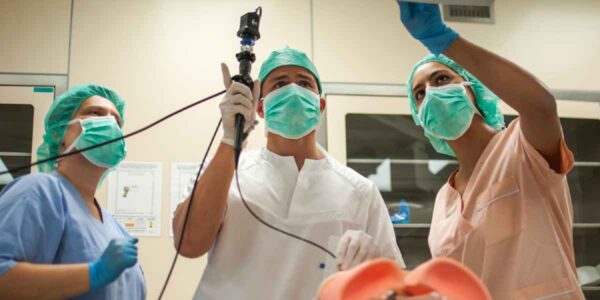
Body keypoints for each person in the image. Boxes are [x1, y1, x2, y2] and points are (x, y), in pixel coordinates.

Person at [173, 47, 404, 299]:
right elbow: (189, 244)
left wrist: (376, 264)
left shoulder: (359, 192)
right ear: (259, 107)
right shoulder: (226, 171)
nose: (293, 91)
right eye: (279, 84)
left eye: (304, 83)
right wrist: (231, 139)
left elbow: (395, 287)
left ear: (321, 105)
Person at [397, 2, 583, 299]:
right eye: (419, 94)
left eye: (442, 79)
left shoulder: (522, 147)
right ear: (419, 117)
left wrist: (445, 41)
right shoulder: (445, 200)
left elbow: (541, 105)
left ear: (471, 87)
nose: (431, 94)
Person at [0, 84, 146, 299]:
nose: (109, 124)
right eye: (95, 113)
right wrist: (93, 274)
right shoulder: (38, 192)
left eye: (116, 121)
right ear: (60, 134)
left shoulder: (115, 227)